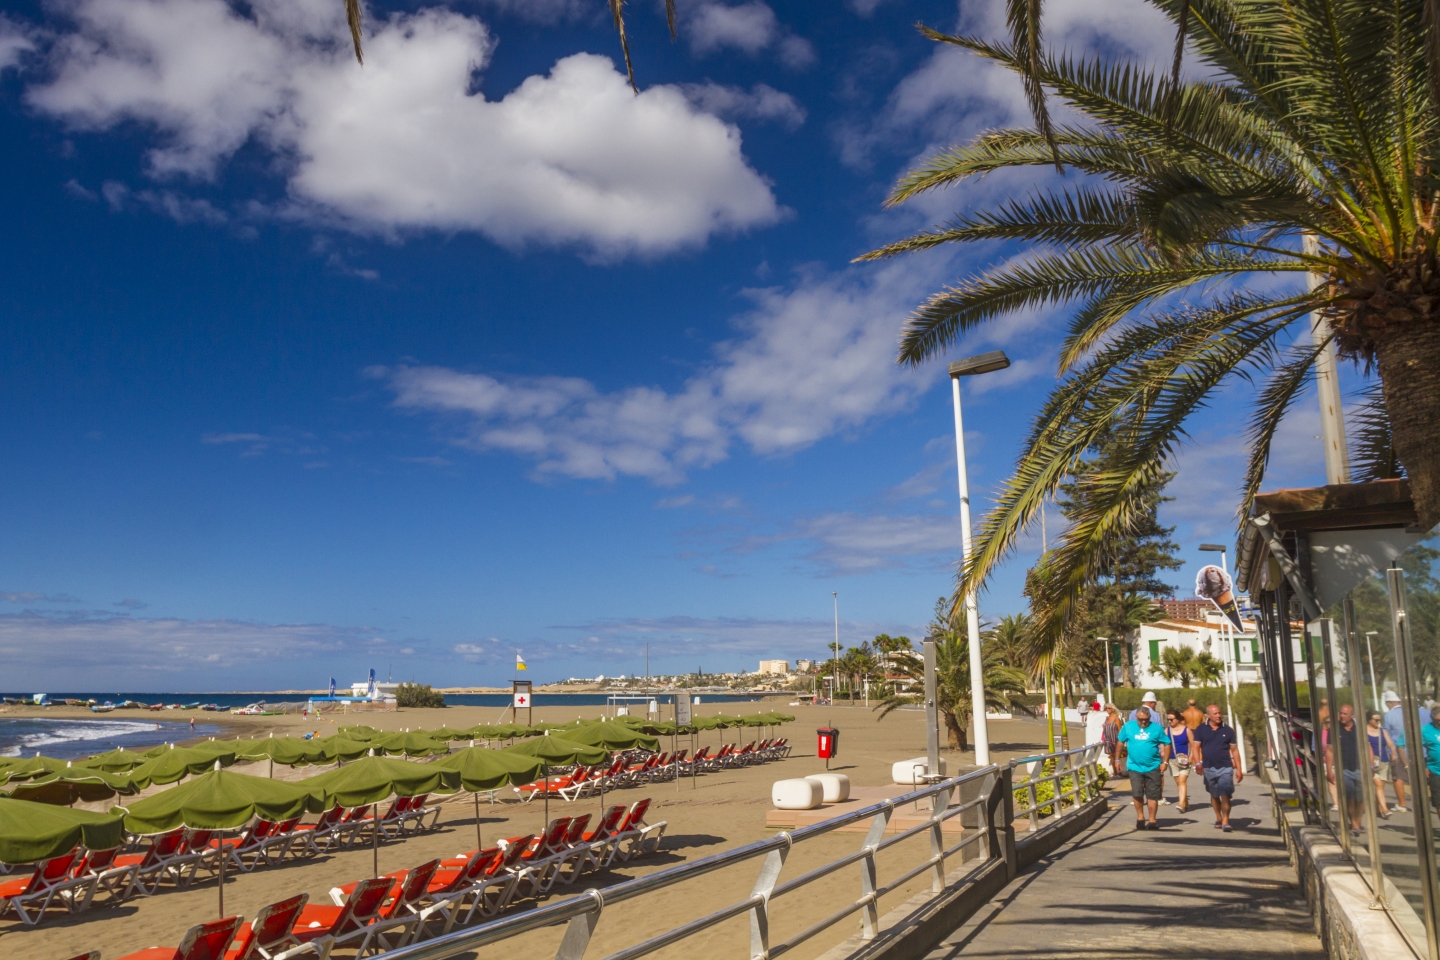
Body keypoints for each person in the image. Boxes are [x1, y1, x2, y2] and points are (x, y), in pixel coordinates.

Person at [1191, 703, 1243, 831]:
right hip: (1208, 767)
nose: (1219, 716)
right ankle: (1218, 817)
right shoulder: (1201, 729)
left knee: (1225, 794)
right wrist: (1198, 763)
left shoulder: (1228, 730)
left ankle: (1226, 821)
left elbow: (1235, 750)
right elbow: (1196, 747)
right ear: (1208, 715)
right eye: (1215, 713)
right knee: (1214, 795)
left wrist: (1239, 770)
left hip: (1225, 767)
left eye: (1219, 713)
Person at [1118, 706, 1171, 830]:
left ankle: (1152, 820)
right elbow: (1120, 741)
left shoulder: (1157, 729)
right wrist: (1116, 759)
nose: (1143, 722)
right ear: (1136, 717)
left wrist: (1165, 762)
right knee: (1137, 793)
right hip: (1134, 766)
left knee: (1152, 795)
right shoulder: (1128, 727)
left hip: (1153, 766)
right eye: (1141, 719)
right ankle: (1140, 818)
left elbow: (1167, 743)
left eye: (1146, 719)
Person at [1383, 690, 1428, 812]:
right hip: (1424, 751)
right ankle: (1424, 803)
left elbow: (1386, 734)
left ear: (1389, 702)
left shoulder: (1389, 715)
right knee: (1423, 777)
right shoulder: (1426, 713)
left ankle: (1402, 804)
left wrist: (1391, 751)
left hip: (1399, 750)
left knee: (1398, 777)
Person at [1325, 703, 1365, 836]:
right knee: (1349, 797)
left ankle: (1357, 821)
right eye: (1340, 713)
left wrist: (1370, 766)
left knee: (1360, 798)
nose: (1341, 716)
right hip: (1344, 768)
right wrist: (1330, 770)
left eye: (1345, 714)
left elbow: (1367, 747)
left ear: (1352, 715)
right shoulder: (1334, 729)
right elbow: (1330, 750)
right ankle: (1354, 824)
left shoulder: (1359, 729)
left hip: (1359, 767)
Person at [1366, 710, 1396, 818]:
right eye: (1376, 720)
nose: (1378, 722)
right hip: (1370, 762)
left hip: (1383, 761)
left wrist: (1393, 752)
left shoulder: (1383, 731)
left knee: (1381, 787)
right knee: (1378, 785)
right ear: (1369, 720)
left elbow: (1390, 744)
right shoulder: (1363, 731)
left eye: (1379, 720)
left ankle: (1378, 809)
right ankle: (1385, 809)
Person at [1166, 710, 1192, 812]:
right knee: (1178, 782)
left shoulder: (1187, 730)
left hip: (1184, 760)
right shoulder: (1167, 731)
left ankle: (1181, 804)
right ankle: (1186, 803)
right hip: (1172, 760)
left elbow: (1193, 746)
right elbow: (1163, 745)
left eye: (1172, 719)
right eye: (1168, 719)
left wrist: (1191, 758)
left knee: (1182, 781)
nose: (1169, 721)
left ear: (1177, 719)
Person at [1421, 708, 1440, 816]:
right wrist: (1424, 766)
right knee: (1439, 802)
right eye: (1438, 720)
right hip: (1436, 771)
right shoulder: (1425, 730)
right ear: (1432, 719)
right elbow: (1418, 750)